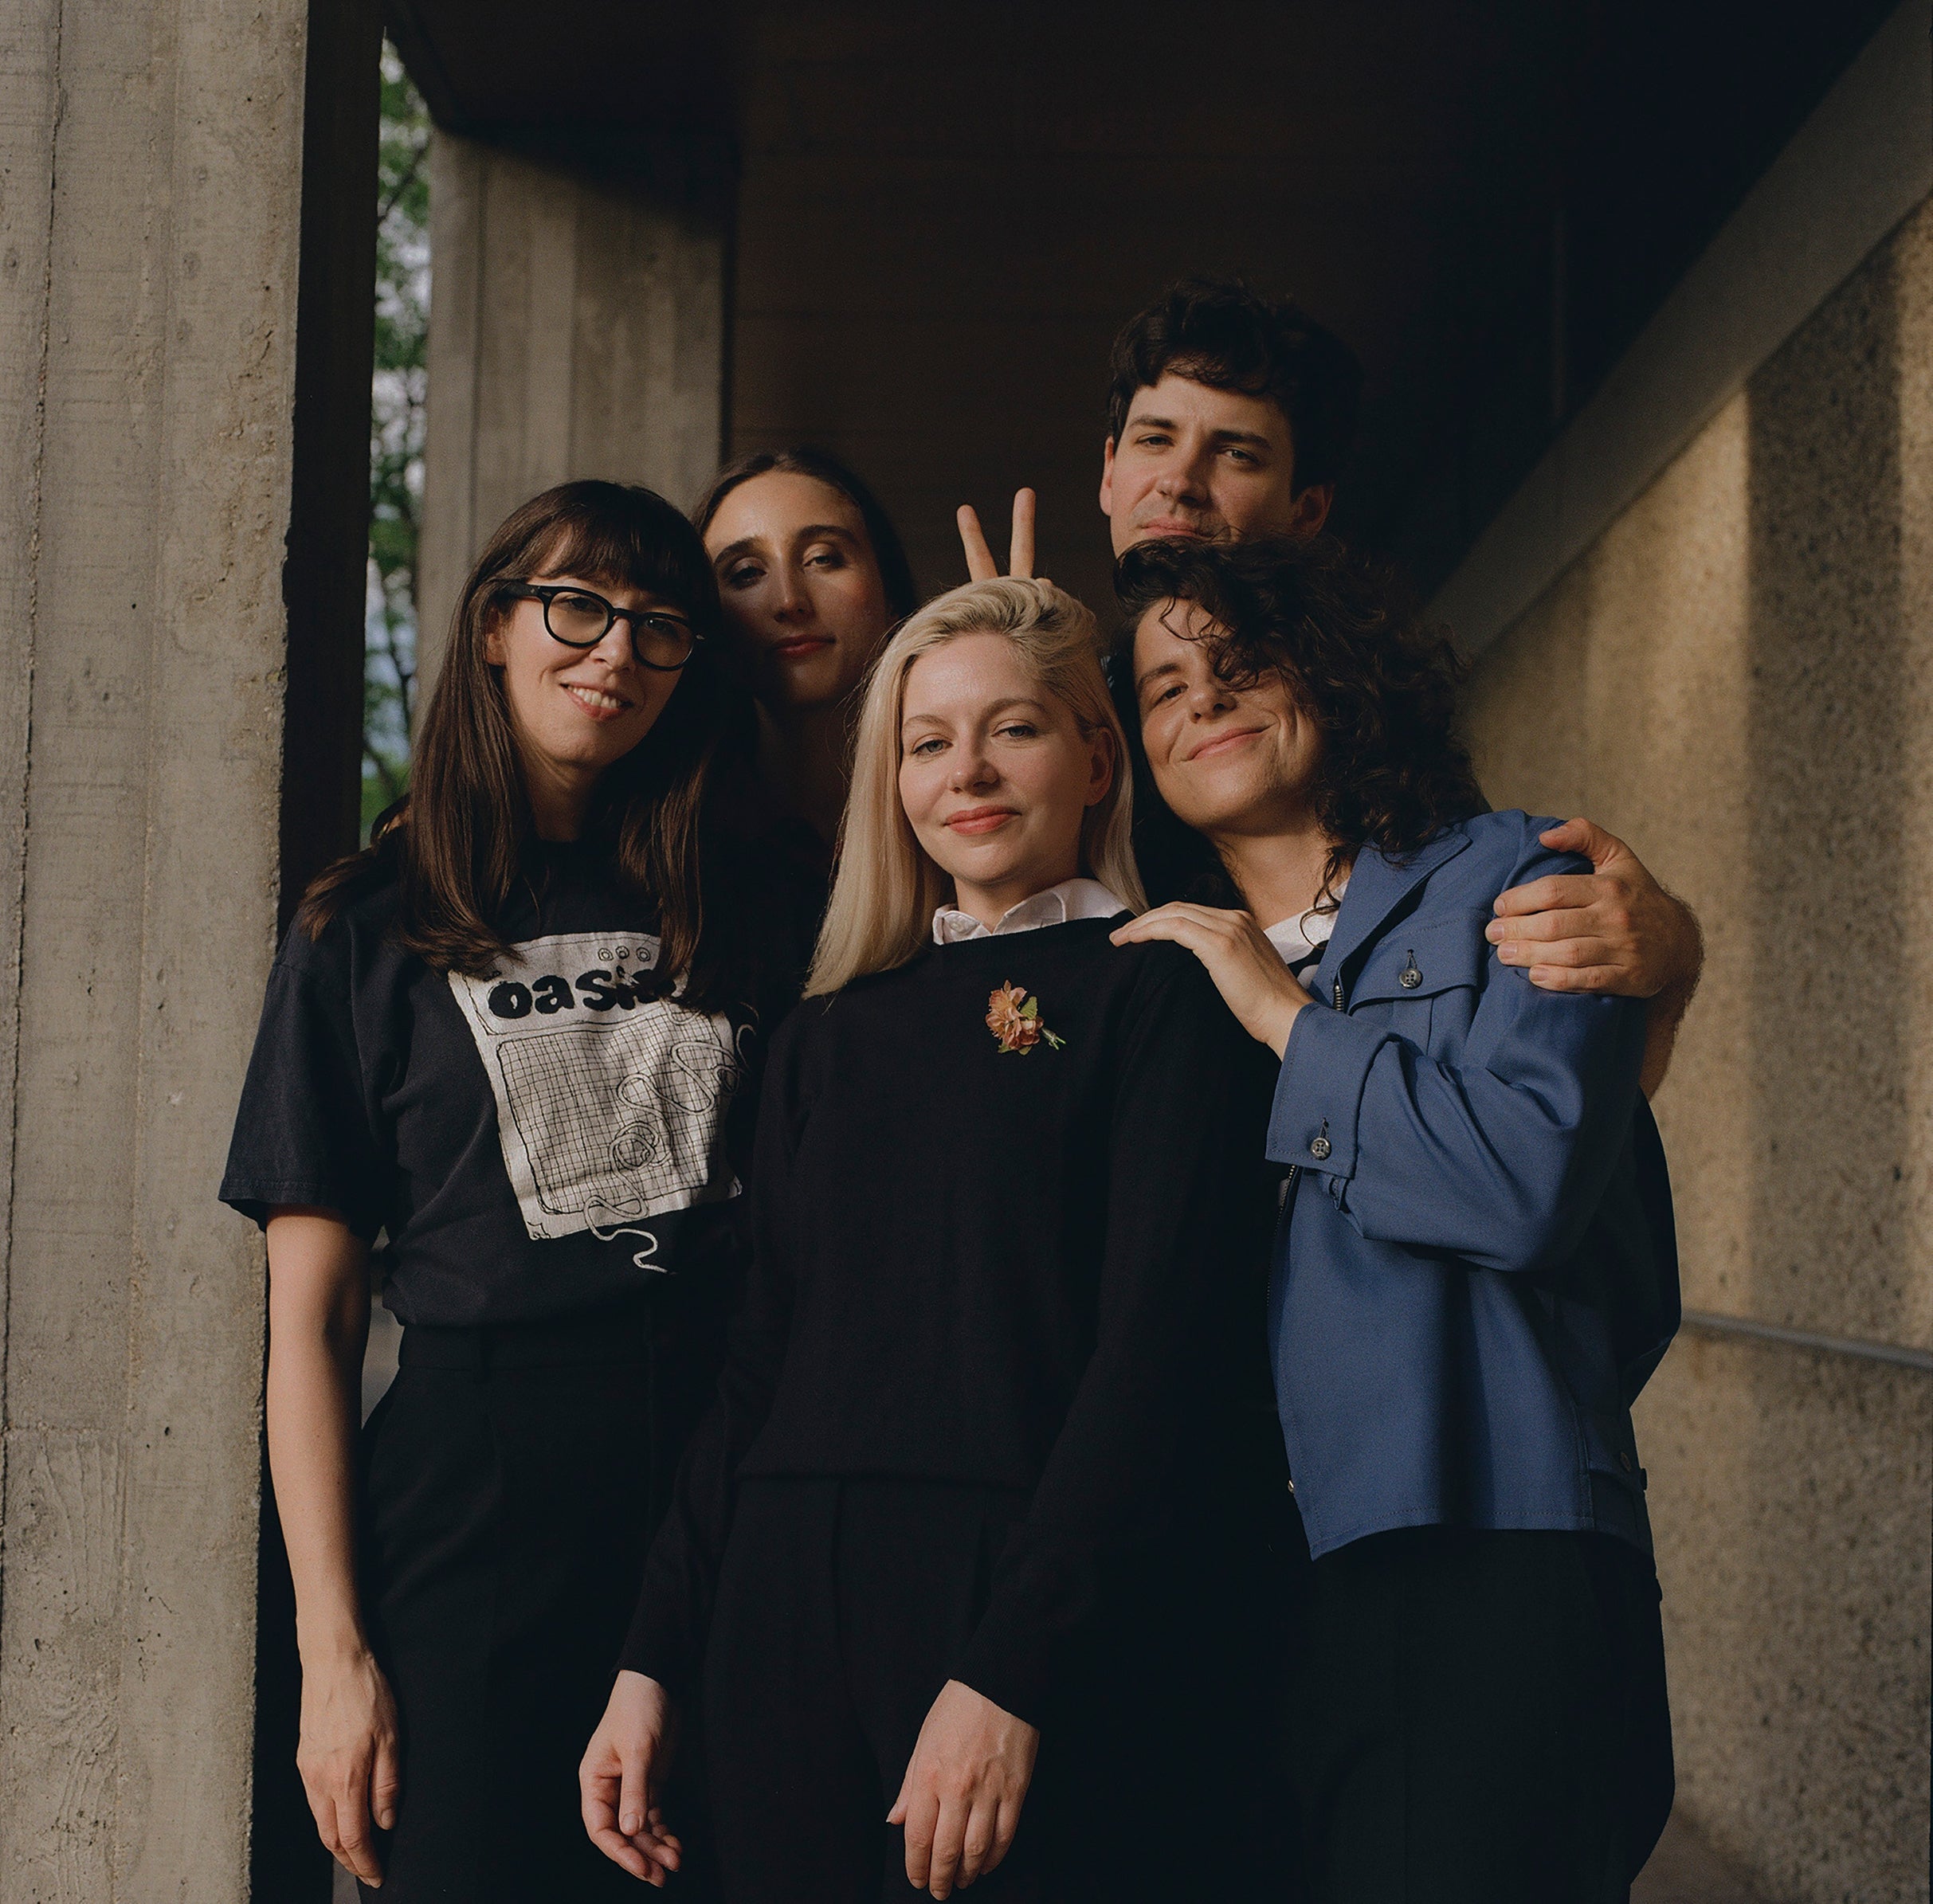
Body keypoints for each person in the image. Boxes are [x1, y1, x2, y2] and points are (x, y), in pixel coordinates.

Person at [580, 576, 1278, 1900]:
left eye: (1012, 728)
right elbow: (756, 1369)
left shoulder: (1159, 995)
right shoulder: (822, 1033)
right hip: (779, 1617)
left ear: (1096, 755)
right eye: (924, 740)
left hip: (1014, 1599)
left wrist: (1014, 1664)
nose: (965, 770)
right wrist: (653, 1653)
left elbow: (1155, 1362)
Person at [221, 480, 812, 1899]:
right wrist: (334, 1655)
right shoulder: (362, 924)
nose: (614, 651)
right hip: (473, 1494)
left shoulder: (761, 898)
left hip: (719, 1471)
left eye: (661, 627)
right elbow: (308, 1325)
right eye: (578, 606)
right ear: (495, 628)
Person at [1111, 534, 1677, 1902]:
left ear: (1336, 669)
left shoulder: (1515, 877)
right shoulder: (1133, 967)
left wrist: (1284, 1018)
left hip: (1480, 1533)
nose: (1203, 697)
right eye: (1162, 683)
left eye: (1242, 658)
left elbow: (1522, 1191)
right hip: (1223, 1567)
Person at [962, 277, 1704, 1066]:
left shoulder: (1353, 728)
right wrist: (995, 687)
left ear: (1306, 510)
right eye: (1153, 440)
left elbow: (1546, 1087)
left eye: (1234, 452)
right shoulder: (1051, 713)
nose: (1179, 480)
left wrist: (1668, 951)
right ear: (1109, 469)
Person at [695, 446, 919, 846]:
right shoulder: (671, 833)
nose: (789, 602)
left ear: (891, 596)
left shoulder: (959, 793)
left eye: (823, 559)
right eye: (746, 573)